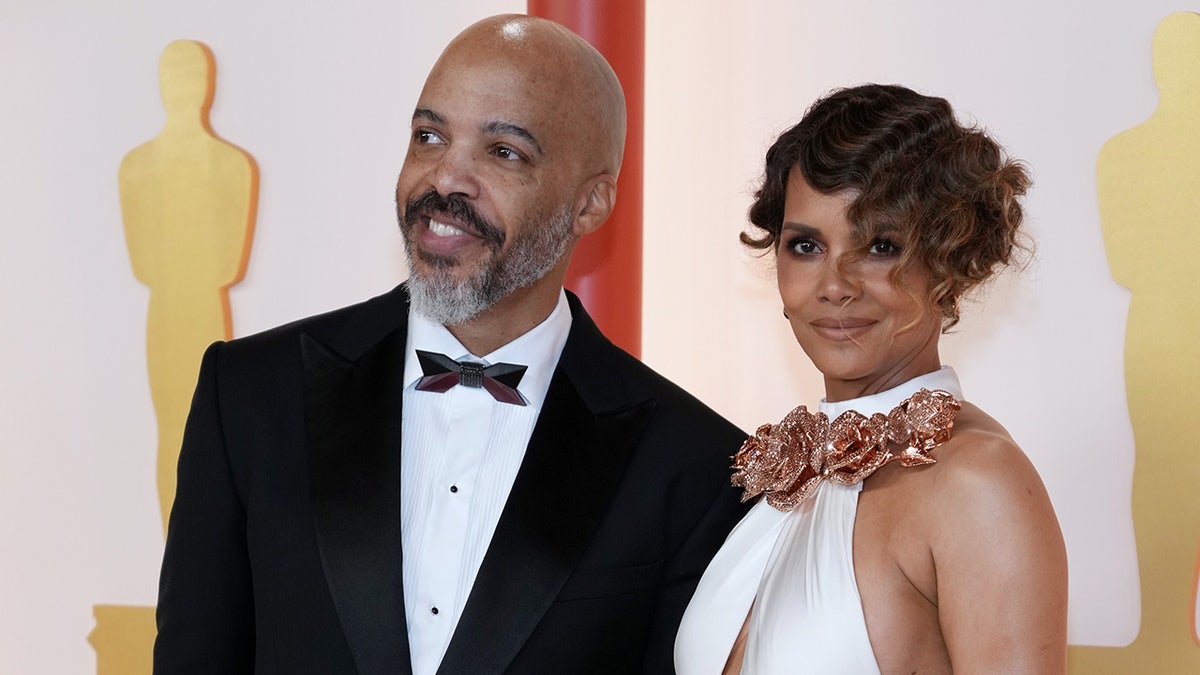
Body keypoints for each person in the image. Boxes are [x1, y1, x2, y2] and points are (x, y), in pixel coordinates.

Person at [152, 14, 749, 675]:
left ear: (591, 204)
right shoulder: (250, 394)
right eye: (429, 136)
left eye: (503, 152)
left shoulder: (696, 466)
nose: (445, 179)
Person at [675, 84, 1068, 674]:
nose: (836, 284)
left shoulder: (977, 485)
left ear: (954, 262)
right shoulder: (787, 479)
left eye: (880, 246)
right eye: (806, 245)